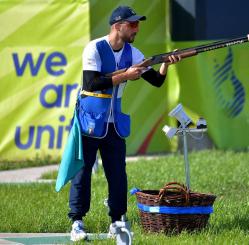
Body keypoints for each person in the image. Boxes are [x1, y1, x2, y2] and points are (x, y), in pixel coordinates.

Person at [68, 5, 181, 242]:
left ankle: (117, 221)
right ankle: (77, 222)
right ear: (118, 26)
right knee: (82, 172)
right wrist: (125, 75)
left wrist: (166, 64)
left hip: (114, 124)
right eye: (132, 24)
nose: (136, 28)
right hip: (89, 120)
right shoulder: (95, 48)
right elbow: (91, 83)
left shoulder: (135, 53)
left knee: (118, 175)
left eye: (137, 24)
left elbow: (157, 81)